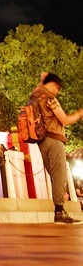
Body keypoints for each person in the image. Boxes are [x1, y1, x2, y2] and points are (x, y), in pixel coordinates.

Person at [30, 72, 83, 224]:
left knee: (54, 175)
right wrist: (79, 113)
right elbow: (65, 120)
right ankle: (59, 212)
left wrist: (42, 80)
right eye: (55, 86)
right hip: (54, 139)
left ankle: (60, 209)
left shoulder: (36, 97)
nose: (56, 91)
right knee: (59, 175)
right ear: (49, 85)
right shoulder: (50, 99)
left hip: (42, 141)